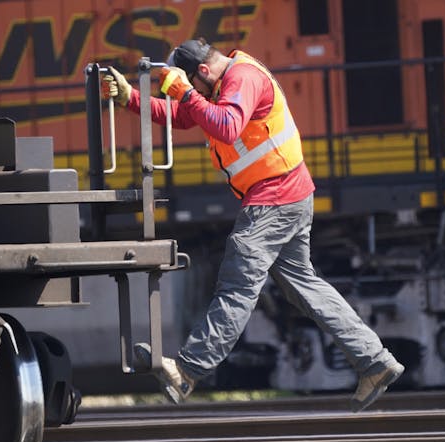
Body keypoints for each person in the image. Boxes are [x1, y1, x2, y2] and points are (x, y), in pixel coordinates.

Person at [103, 38, 404, 412]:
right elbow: (185, 115)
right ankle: (375, 361)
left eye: (192, 85)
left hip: (274, 198)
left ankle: (186, 371)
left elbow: (226, 127)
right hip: (288, 194)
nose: (193, 94)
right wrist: (129, 97)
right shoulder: (220, 84)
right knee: (304, 287)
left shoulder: (242, 79)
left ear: (203, 72)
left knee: (238, 284)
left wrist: (184, 92)